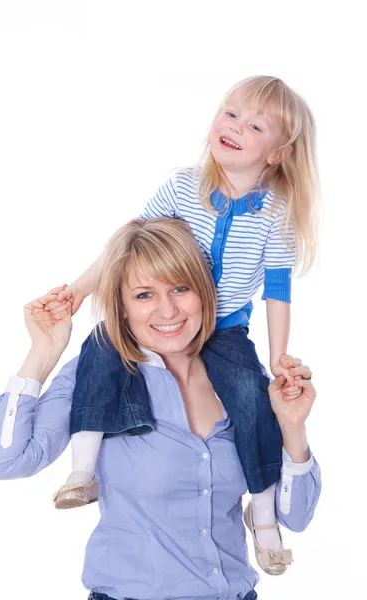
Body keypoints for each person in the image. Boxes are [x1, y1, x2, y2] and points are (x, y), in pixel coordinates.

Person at [51, 75, 320, 567]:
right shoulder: (182, 186)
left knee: (251, 398)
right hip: (166, 317)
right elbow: (126, 248)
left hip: (225, 326)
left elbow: (278, 292)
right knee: (102, 345)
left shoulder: (276, 216)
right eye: (231, 112)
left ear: (278, 153)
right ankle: (83, 467)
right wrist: (76, 291)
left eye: (255, 124)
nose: (235, 126)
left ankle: (262, 512)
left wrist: (281, 355)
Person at [0, 218, 320, 598]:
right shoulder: (96, 375)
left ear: (204, 291)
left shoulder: (241, 378)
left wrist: (292, 428)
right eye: (144, 295)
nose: (168, 310)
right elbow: (0, 462)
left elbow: (296, 517)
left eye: (180, 288)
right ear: (121, 307)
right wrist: (43, 353)